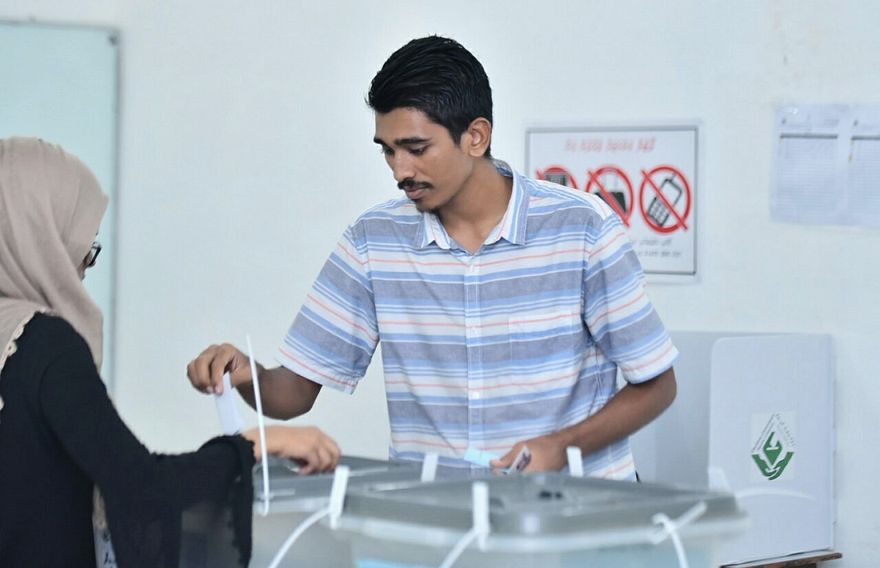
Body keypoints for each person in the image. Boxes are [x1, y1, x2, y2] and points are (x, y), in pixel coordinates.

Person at [188, 35, 677, 479]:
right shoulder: (373, 240)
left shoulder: (582, 228)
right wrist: (247, 374)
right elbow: (293, 394)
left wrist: (561, 446)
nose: (400, 170)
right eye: (388, 150)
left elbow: (657, 384)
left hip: (577, 518)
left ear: (476, 136)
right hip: (440, 522)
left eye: (416, 148)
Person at [0, 137, 341, 568]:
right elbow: (142, 487)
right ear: (41, 238)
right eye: (83, 246)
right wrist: (258, 444)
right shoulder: (47, 345)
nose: (85, 265)